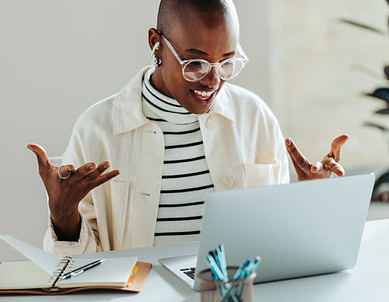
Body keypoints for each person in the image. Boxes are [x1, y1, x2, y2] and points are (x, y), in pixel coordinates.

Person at [28, 0, 348, 256]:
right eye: (195, 63)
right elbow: (77, 274)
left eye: (226, 63)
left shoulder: (255, 118)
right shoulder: (96, 130)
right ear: (156, 44)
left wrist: (312, 198)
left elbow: (274, 246)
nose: (213, 80)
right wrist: (63, 217)